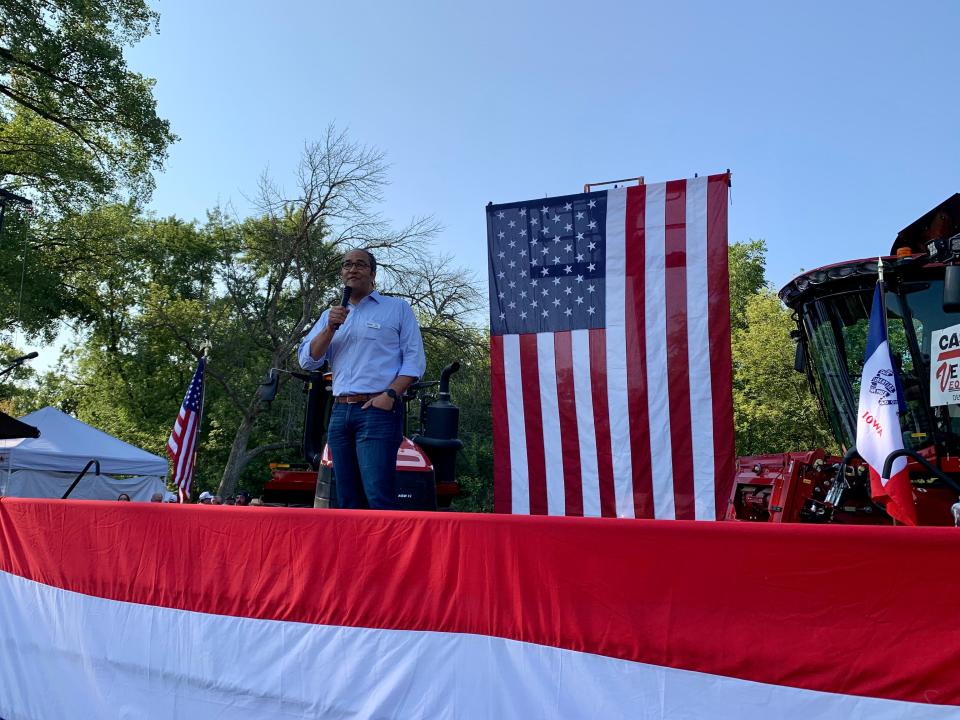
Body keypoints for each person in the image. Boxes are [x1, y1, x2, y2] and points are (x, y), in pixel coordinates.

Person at [298, 248, 425, 509]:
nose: (352, 269)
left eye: (360, 264)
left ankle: (386, 551)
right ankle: (354, 551)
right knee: (346, 499)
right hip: (340, 412)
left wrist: (390, 396)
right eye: (346, 265)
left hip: (377, 411)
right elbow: (308, 360)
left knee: (378, 496)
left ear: (373, 273)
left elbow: (414, 362)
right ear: (342, 274)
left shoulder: (397, 309)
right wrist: (330, 328)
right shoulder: (330, 315)